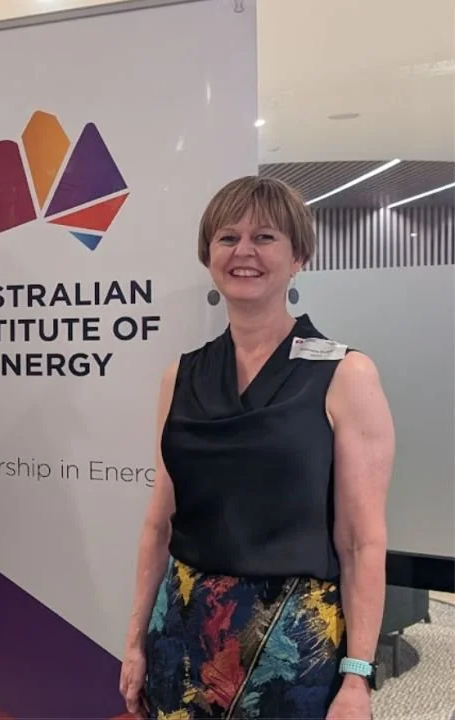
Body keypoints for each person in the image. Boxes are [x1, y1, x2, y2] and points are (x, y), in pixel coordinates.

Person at [118, 176, 395, 719]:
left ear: (299, 258)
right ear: (208, 254)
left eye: (265, 237)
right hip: (180, 636)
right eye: (228, 237)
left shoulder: (346, 373)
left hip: (290, 650)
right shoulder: (182, 376)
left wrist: (357, 677)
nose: (244, 251)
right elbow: (159, 524)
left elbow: (362, 542)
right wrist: (134, 642)